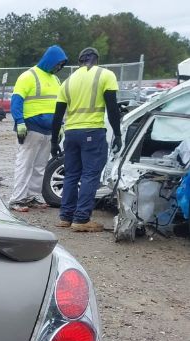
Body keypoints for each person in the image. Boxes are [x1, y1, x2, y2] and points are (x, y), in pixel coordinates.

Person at [51, 47, 122, 231]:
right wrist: (118, 134)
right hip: (92, 132)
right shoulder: (105, 75)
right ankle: (82, 219)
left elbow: (57, 115)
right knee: (90, 175)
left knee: (71, 175)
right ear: (96, 59)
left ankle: (65, 217)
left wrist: (54, 141)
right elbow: (112, 109)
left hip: (71, 133)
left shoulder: (67, 82)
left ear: (79, 61)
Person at [8, 45, 68, 213]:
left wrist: (60, 126)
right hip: (31, 128)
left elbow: (58, 104)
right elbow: (16, 101)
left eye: (61, 65)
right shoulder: (28, 76)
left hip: (49, 131)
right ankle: (17, 199)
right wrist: (19, 122)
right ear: (50, 60)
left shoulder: (55, 80)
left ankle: (31, 197)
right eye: (57, 64)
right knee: (25, 164)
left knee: (40, 166)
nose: (58, 67)